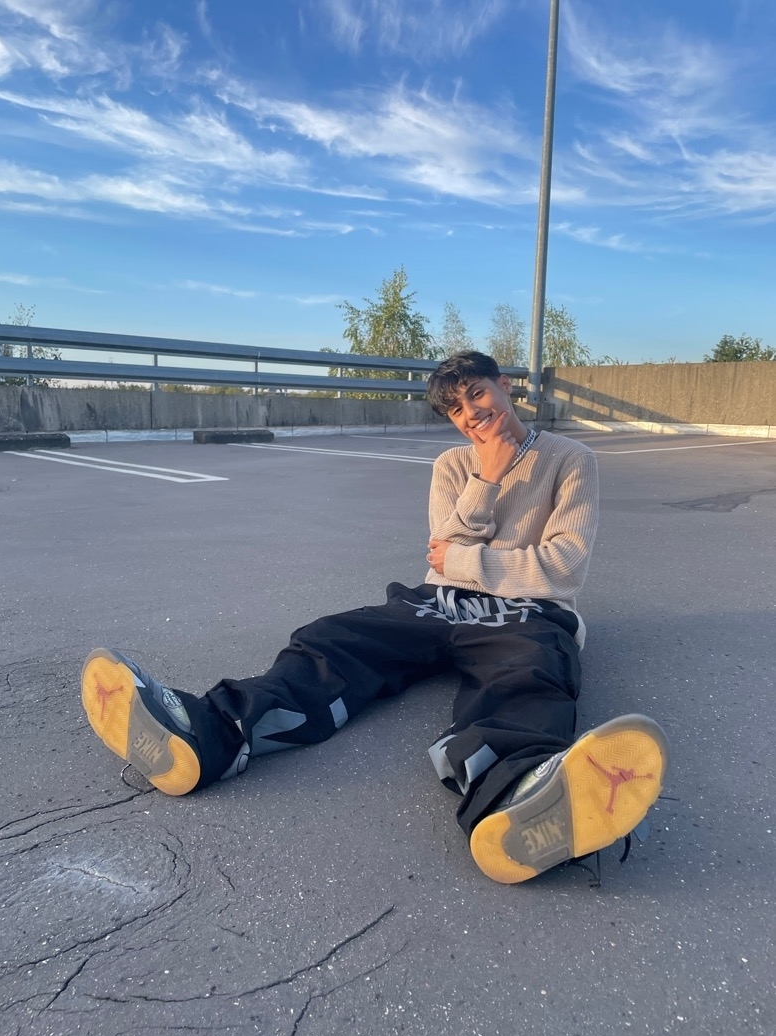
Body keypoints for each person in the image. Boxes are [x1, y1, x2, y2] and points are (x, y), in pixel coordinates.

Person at [81, 351, 669, 885]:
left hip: (528, 612)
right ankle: (207, 735)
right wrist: (487, 477)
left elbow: (561, 569)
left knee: (529, 674)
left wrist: (463, 559)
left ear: (505, 386)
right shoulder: (452, 466)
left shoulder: (570, 459)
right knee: (330, 640)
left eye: (478, 394)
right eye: (456, 409)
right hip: (437, 602)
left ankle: (517, 797)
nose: (471, 413)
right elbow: (441, 553)